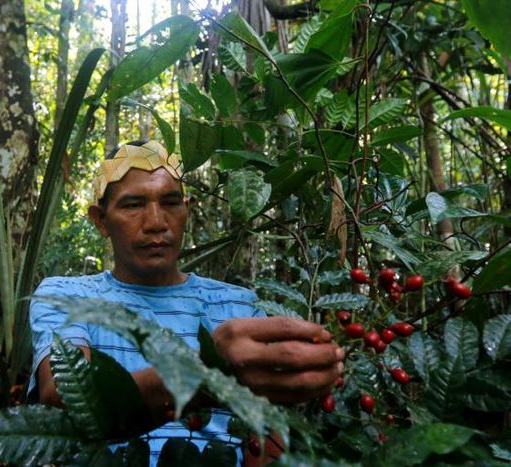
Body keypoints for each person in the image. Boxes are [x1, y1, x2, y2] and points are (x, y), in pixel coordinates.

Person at [28, 140, 344, 466]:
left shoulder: (237, 305)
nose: (156, 222)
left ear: (186, 210)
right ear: (101, 220)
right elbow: (66, 394)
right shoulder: (67, 296)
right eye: (133, 205)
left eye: (171, 202)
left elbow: (266, 433)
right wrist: (207, 370)